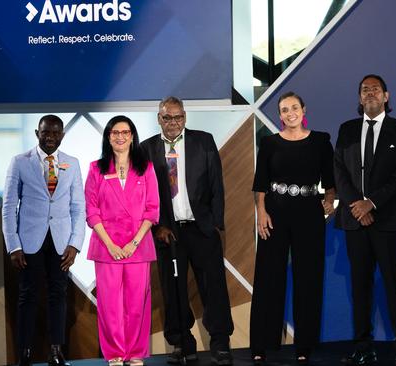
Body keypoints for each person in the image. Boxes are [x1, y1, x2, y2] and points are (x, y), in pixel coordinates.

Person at [140, 96, 234, 365]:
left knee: (213, 287)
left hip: (202, 229)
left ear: (185, 117)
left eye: (178, 117)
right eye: (167, 117)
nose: (173, 122)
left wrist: (216, 223)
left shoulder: (203, 141)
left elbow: (217, 184)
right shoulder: (147, 149)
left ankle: (220, 342)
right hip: (168, 233)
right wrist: (157, 227)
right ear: (159, 118)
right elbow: (144, 194)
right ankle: (182, 343)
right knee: (173, 290)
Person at [250, 92, 335, 365]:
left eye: (294, 108)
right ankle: (262, 343)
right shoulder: (269, 143)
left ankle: (304, 344)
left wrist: (330, 200)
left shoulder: (321, 141)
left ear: (303, 109)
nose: (290, 113)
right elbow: (260, 183)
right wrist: (261, 211)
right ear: (280, 115)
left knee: (308, 278)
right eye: (284, 110)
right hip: (274, 212)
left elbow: (331, 181)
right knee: (268, 277)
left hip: (309, 212)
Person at [334, 74, 396, 365]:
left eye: (375, 89)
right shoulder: (347, 130)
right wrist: (358, 205)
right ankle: (363, 345)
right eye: (364, 90)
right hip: (355, 220)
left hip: (387, 219)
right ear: (359, 97)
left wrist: (372, 203)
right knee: (360, 284)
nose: (370, 94)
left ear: (386, 96)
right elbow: (339, 170)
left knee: (394, 283)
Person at [2, 115, 85, 366]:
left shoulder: (72, 163)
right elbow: (9, 206)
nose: (50, 137)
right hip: (28, 243)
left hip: (61, 242)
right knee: (27, 296)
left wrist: (75, 243)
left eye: (55, 133)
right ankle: (24, 353)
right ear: (37, 133)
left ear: (62, 135)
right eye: (46, 133)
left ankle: (56, 351)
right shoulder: (20, 162)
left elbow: (78, 207)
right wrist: (13, 245)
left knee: (58, 296)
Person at [84, 116, 159, 366]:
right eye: (114, 132)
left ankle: (136, 352)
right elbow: (92, 211)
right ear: (108, 137)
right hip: (107, 248)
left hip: (138, 246)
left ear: (132, 136)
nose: (120, 136)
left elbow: (152, 210)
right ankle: (115, 353)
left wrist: (133, 243)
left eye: (125, 132)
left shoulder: (145, 168)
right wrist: (111, 245)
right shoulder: (96, 168)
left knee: (137, 303)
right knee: (110, 305)